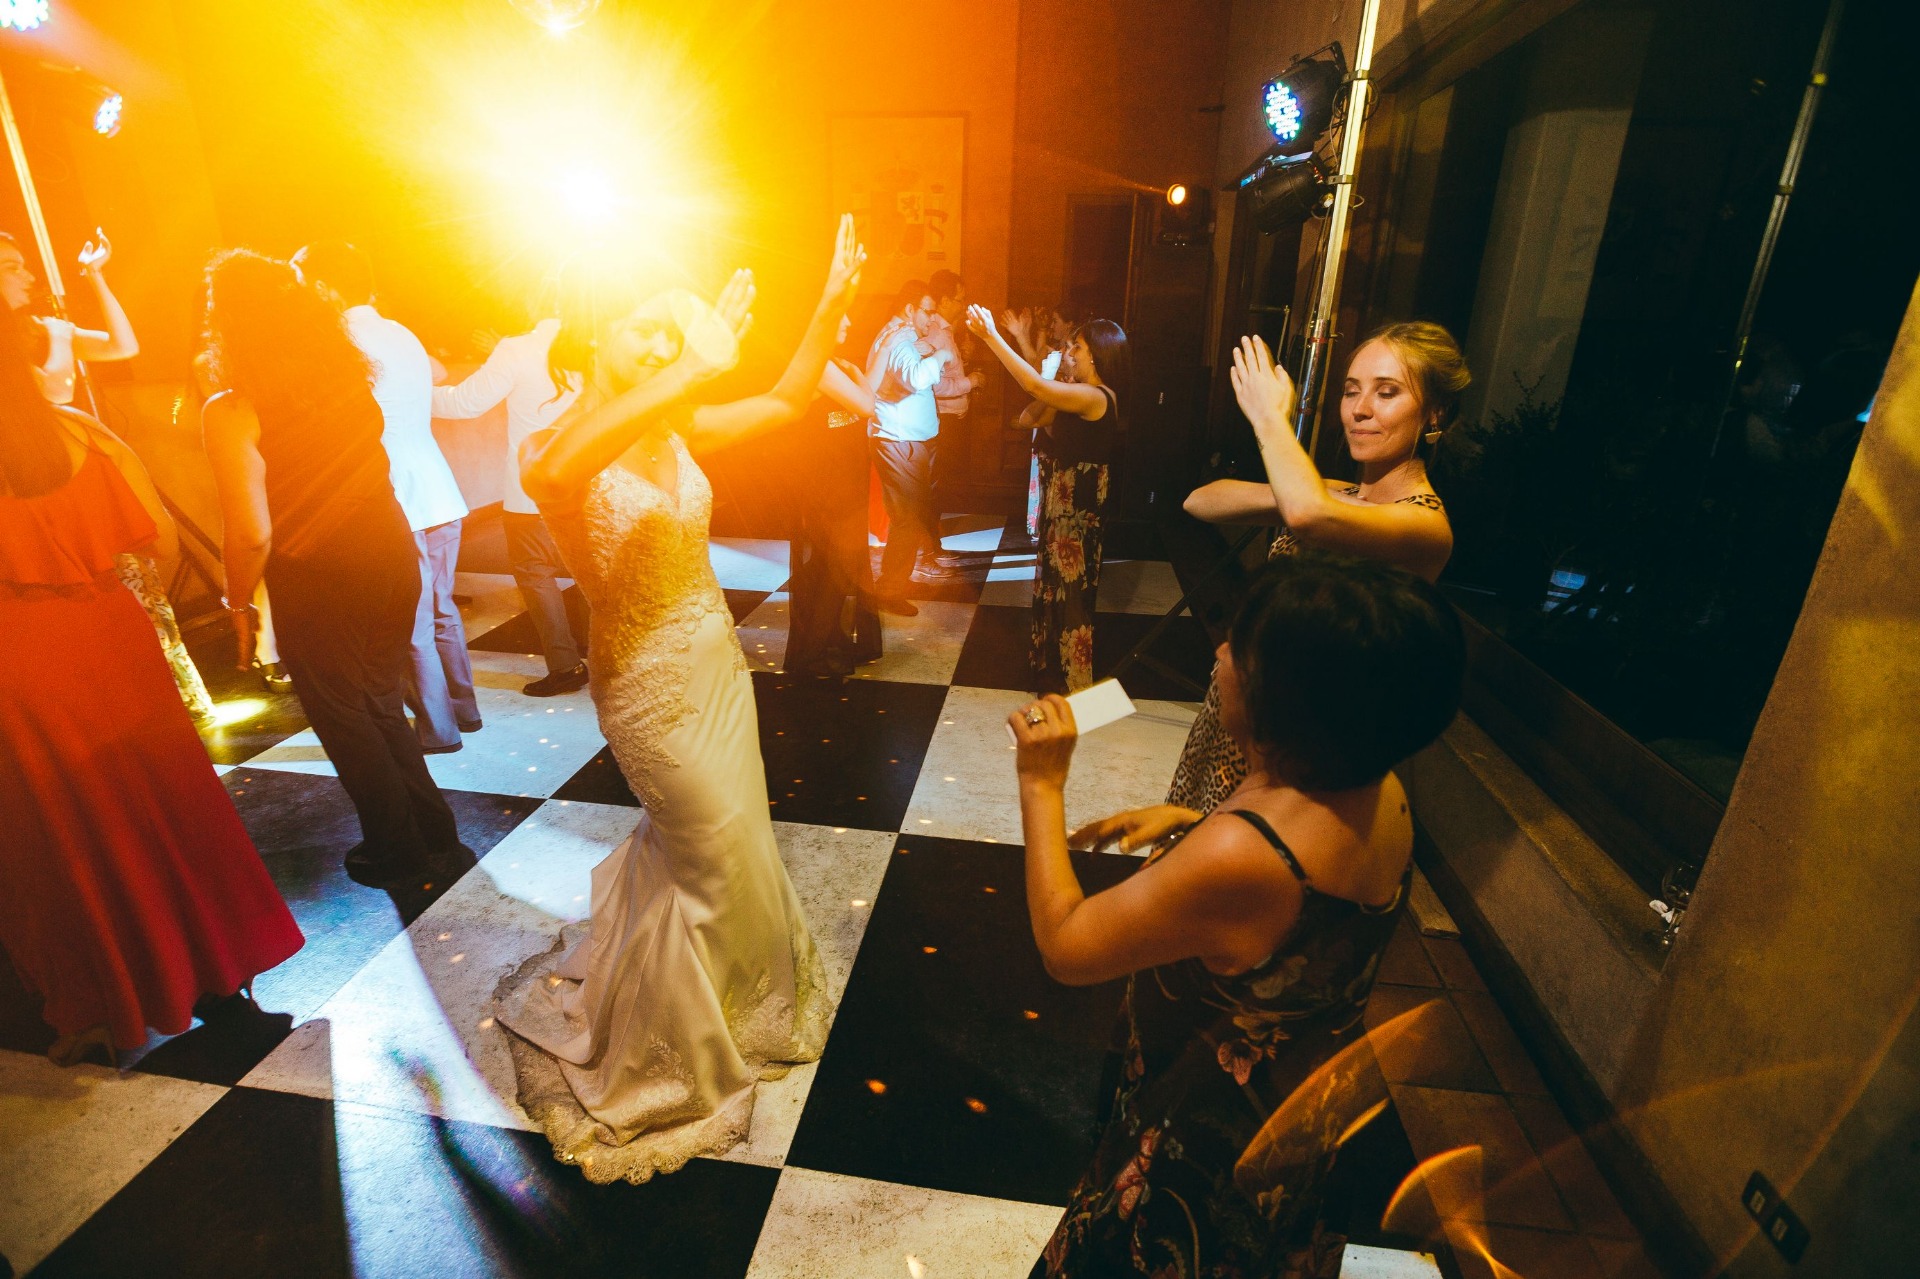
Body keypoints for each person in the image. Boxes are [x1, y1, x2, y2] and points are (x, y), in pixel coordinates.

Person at [493, 216, 865, 1183]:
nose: (663, 346)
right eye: (643, 328)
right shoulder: (553, 445)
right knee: (704, 854)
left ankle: (745, 1007)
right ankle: (672, 1052)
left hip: (717, 665)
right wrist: (691, 364)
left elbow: (786, 398)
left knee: (737, 844)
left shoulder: (673, 423)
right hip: (648, 684)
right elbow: (560, 473)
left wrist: (830, 303)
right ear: (592, 332)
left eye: (671, 329)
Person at [1008, 552, 1466, 1277]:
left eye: (1240, 650)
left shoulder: (1243, 857)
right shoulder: (1379, 789)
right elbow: (1302, 894)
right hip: (1293, 1120)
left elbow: (1066, 947)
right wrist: (1196, 824)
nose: (1219, 653)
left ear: (1285, 700)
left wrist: (1041, 783)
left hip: (1201, 1148)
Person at [0, 316, 303, 1067]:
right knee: (169, 806)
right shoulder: (83, 432)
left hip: (19, 660)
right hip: (112, 637)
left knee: (65, 834)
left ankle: (105, 1004)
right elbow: (158, 540)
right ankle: (223, 983)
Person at [201, 249, 470, 891]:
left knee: (345, 717)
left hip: (319, 577)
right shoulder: (348, 381)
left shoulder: (233, 410)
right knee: (379, 701)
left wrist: (238, 604)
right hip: (390, 555)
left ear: (231, 323)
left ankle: (398, 850)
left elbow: (251, 532)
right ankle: (435, 833)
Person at [1170, 324, 1465, 813]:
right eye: (1351, 391)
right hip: (1241, 716)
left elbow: (1307, 515)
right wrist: (1299, 497)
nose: (1360, 409)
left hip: (1307, 751)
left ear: (1435, 412)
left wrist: (1270, 420)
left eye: (1386, 392)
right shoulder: (1331, 495)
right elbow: (1200, 501)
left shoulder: (1426, 524)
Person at [293, 241, 480, 752]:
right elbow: (437, 375)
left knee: (410, 623)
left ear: (323, 286)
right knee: (442, 608)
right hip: (438, 487)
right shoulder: (400, 331)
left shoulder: (335, 341)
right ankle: (465, 711)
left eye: (300, 282)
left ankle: (438, 731)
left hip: (394, 494)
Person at [968, 305, 1130, 692]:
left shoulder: (1097, 397)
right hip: (1062, 513)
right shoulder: (1077, 394)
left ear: (1097, 355)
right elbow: (1030, 417)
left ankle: (1076, 691)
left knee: (1072, 603)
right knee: (1056, 595)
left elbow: (1033, 387)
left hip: (1077, 518)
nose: (1069, 352)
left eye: (1077, 348)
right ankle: (1053, 677)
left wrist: (992, 336)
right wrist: (1055, 382)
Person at [431, 309, 591, 696]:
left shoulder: (517, 349)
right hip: (589, 479)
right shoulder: (592, 342)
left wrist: (410, 391)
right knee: (590, 571)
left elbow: (465, 403)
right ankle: (607, 652)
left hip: (532, 487)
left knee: (535, 574)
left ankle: (567, 666)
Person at [784, 312, 882, 677]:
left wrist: (857, 377)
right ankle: (815, 650)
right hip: (828, 483)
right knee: (833, 565)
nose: (849, 321)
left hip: (841, 479)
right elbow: (867, 406)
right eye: (841, 314)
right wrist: (860, 377)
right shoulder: (821, 365)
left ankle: (829, 641)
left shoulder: (829, 362)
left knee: (837, 564)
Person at [866, 279, 956, 614]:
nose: (932, 319)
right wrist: (942, 354)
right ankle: (890, 591)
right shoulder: (900, 337)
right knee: (906, 518)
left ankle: (897, 580)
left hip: (905, 440)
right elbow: (915, 378)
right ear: (909, 309)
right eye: (928, 311)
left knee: (910, 516)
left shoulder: (901, 337)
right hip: (900, 440)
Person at [0, 228, 139, 406]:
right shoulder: (53, 333)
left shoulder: (31, 327)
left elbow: (123, 347)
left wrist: (94, 274)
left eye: (23, 267)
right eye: (13, 268)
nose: (31, 277)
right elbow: (58, 392)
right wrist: (60, 336)